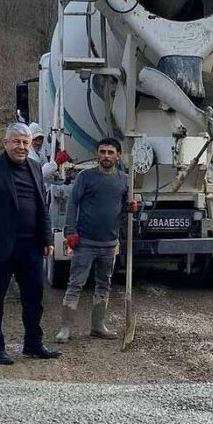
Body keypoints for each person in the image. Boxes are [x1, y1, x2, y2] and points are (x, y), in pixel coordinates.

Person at [0, 122, 62, 365]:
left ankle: (33, 344)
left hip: (31, 246)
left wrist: (47, 238)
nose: (21, 147)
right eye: (17, 141)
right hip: (1, 246)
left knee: (34, 297)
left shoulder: (34, 167)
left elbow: (42, 207)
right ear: (6, 143)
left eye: (26, 142)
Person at [55, 137, 138, 343]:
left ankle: (98, 326)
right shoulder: (86, 177)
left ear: (118, 156)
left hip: (109, 244)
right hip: (85, 243)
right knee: (76, 284)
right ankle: (65, 328)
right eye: (102, 152)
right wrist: (70, 231)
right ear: (97, 154)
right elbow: (73, 204)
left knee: (104, 284)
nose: (106, 156)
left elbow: (126, 208)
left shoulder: (124, 180)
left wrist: (135, 207)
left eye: (110, 152)